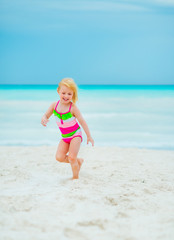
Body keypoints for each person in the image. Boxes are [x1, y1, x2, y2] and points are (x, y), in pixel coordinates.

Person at [41, 78, 94, 179]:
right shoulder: (54, 106)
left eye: (69, 94)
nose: (66, 96)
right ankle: (79, 161)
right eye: (63, 93)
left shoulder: (73, 108)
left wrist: (89, 136)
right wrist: (43, 119)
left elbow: (82, 121)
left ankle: (75, 178)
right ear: (58, 92)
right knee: (59, 157)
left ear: (73, 95)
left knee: (71, 157)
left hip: (75, 135)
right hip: (65, 136)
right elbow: (46, 115)